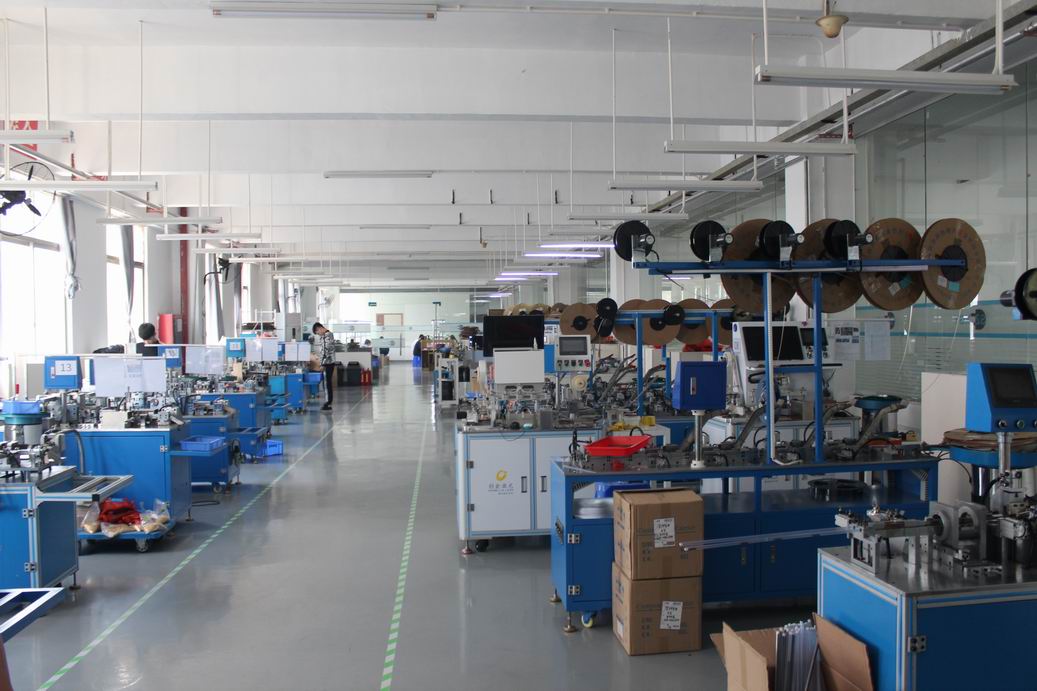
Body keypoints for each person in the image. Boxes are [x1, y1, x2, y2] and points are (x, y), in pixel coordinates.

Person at [313, 322, 336, 411]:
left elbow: (326, 351)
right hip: (328, 362)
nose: (318, 334)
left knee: (327, 383)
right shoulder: (327, 335)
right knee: (327, 383)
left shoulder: (327, 336)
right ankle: (328, 401)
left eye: (318, 332)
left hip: (328, 363)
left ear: (319, 328)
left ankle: (328, 402)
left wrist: (322, 364)